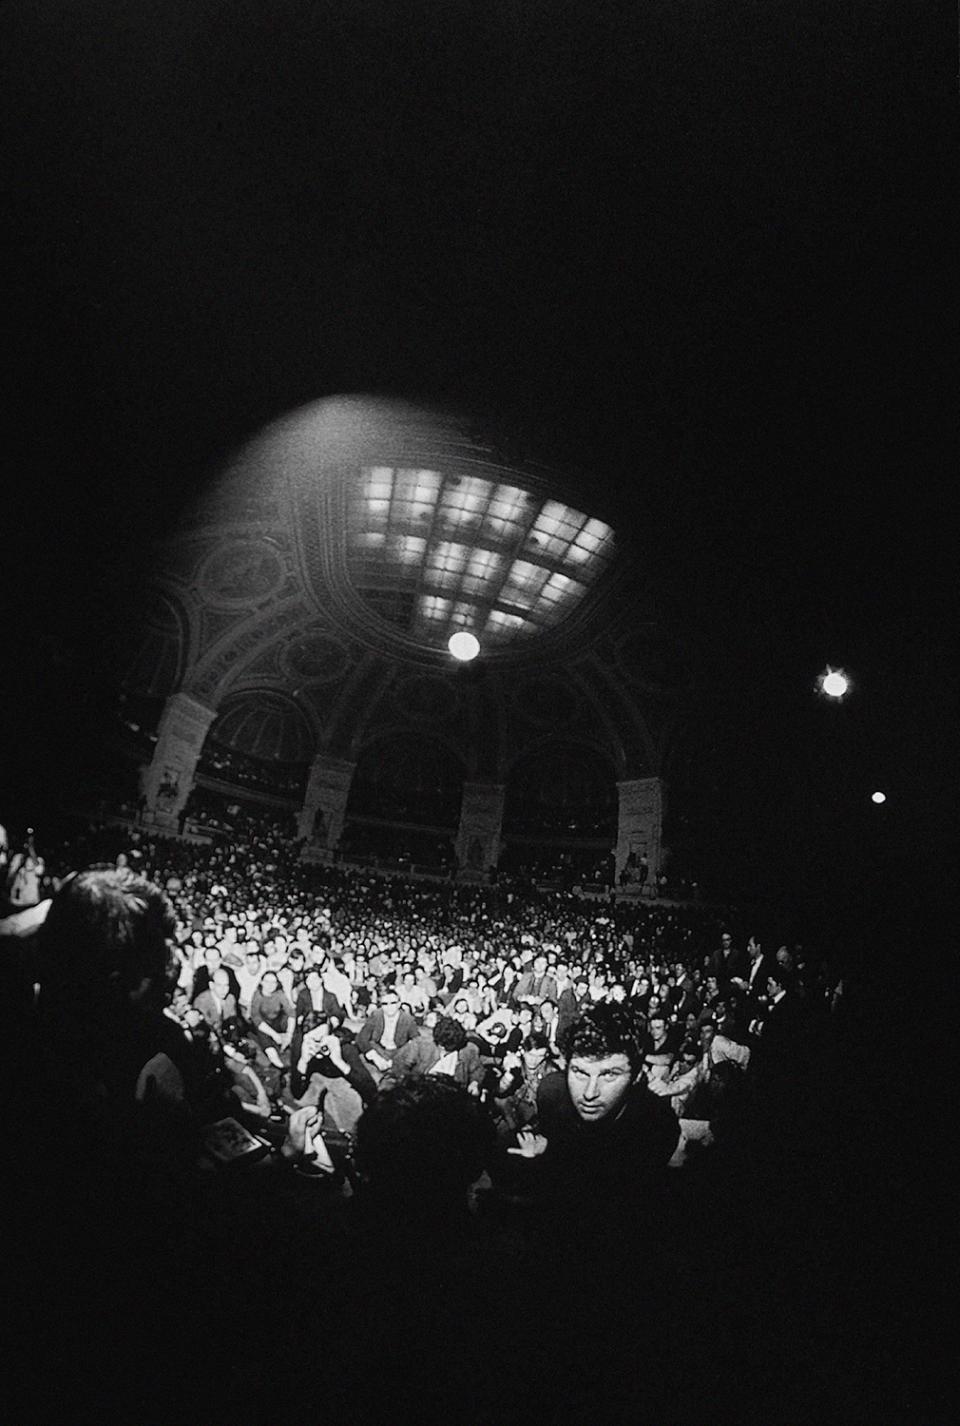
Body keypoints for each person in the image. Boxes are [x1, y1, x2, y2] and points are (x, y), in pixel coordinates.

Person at [507, 1002, 679, 1224]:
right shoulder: (552, 1092)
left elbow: (616, 1195)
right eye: (579, 1072)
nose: (589, 1093)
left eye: (609, 1075)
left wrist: (550, 1154)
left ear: (637, 1077)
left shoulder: (656, 1125)